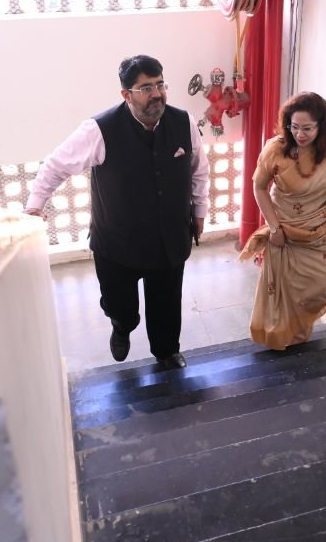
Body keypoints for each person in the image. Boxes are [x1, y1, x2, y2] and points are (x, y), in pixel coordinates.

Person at [26, 55, 208, 368]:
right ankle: (122, 326)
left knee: (166, 302)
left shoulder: (183, 122)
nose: (157, 94)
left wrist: (200, 211)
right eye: (146, 88)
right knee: (120, 305)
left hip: (169, 236)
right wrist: (34, 205)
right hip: (117, 241)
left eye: (160, 84)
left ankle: (166, 352)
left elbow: (198, 170)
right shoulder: (99, 130)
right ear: (126, 94)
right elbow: (55, 166)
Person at [238, 91, 326, 349]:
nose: (300, 134)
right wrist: (274, 228)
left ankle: (297, 332)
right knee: (284, 291)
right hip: (284, 231)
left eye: (307, 128)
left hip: (321, 232)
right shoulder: (276, 149)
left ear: (322, 126)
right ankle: (285, 338)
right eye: (294, 127)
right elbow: (259, 187)